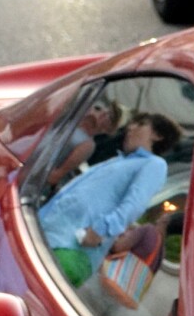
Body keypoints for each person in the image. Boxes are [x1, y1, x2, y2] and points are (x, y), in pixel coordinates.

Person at [36, 114, 179, 285]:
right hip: (49, 231)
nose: (130, 128)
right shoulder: (120, 160)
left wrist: (101, 230)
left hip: (71, 246)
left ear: (157, 135)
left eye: (140, 124)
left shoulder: (155, 164)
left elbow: (134, 203)